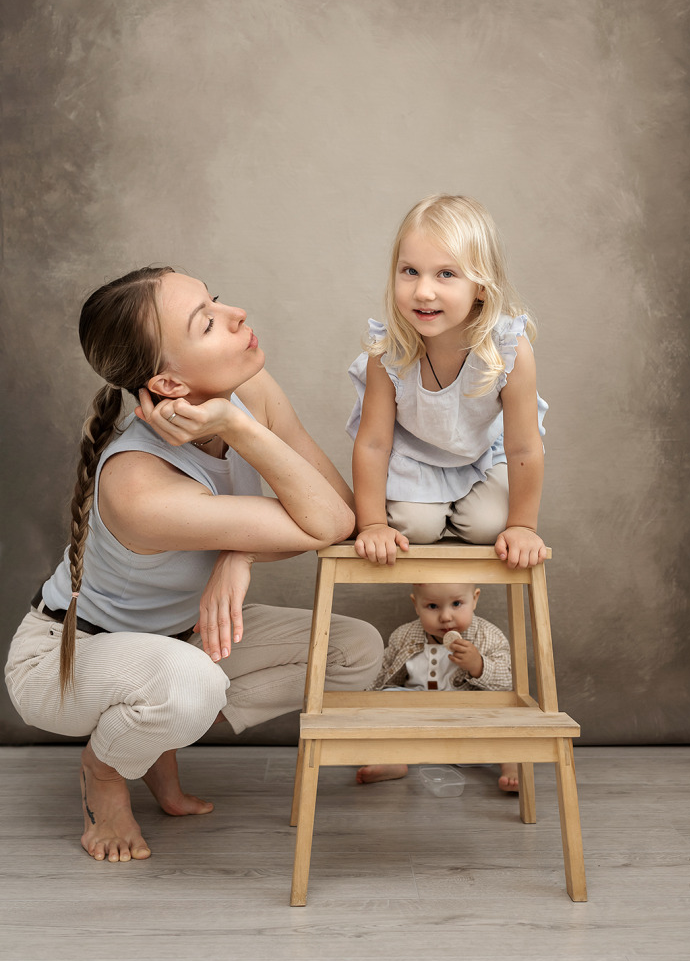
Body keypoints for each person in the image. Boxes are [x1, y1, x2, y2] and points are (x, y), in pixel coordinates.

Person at [4, 266, 383, 863]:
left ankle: (156, 732)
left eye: (218, 300)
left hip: (175, 637)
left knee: (355, 649)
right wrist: (236, 425)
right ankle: (104, 773)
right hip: (63, 655)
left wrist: (238, 551)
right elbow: (327, 525)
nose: (237, 316)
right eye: (207, 322)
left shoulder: (251, 389)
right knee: (191, 684)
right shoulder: (137, 485)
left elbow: (340, 511)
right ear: (170, 383)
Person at [347, 194, 549, 568]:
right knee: (413, 528)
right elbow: (374, 444)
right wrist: (372, 523)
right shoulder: (388, 353)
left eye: (446, 274)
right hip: (416, 457)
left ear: (482, 287)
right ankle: (428, 510)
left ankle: (470, 511)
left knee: (489, 526)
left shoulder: (508, 350)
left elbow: (523, 447)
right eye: (410, 271)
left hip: (484, 455)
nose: (423, 291)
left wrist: (523, 526)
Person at [355, 582, 518, 791]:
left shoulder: (488, 636)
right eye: (433, 606)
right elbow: (383, 671)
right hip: (417, 709)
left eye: (457, 604)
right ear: (416, 604)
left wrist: (478, 665)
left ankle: (511, 764)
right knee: (384, 701)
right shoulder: (404, 635)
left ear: (475, 599)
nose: (446, 617)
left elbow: (509, 680)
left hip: (468, 713)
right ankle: (391, 759)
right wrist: (365, 700)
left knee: (506, 712)